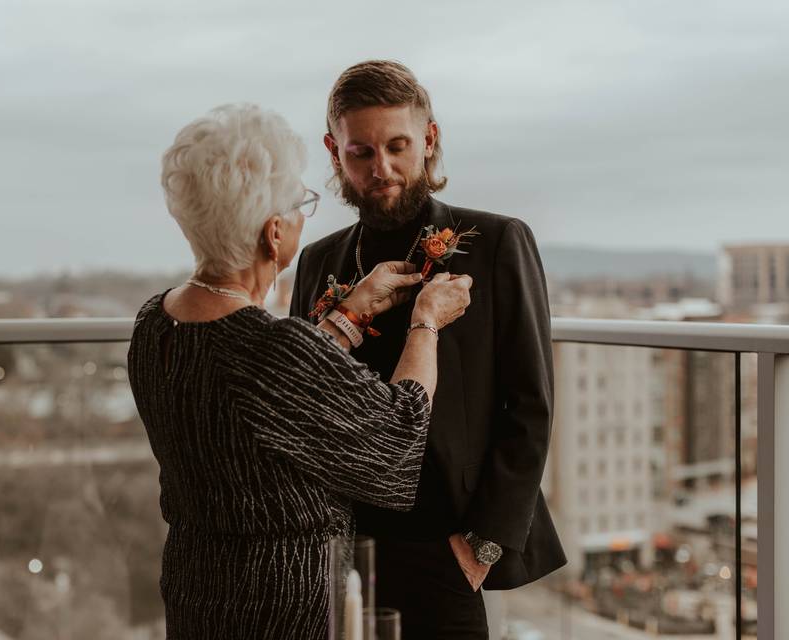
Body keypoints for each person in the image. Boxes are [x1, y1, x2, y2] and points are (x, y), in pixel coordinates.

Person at [127, 103, 473, 639]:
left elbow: (264, 395)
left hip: (196, 592)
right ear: (273, 234)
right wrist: (425, 322)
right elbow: (398, 442)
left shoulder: (154, 323)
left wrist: (349, 315)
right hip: (281, 611)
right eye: (298, 203)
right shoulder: (271, 349)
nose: (303, 215)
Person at [289, 60, 567, 638]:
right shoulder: (317, 261)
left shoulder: (497, 243)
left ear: (429, 140)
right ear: (334, 151)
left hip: (446, 549)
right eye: (360, 152)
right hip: (336, 550)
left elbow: (531, 406)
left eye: (397, 146)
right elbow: (304, 407)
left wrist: (479, 548)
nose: (381, 168)